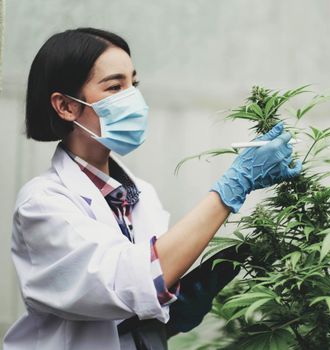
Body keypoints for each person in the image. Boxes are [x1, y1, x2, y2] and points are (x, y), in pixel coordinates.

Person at [3, 27, 302, 350]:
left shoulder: (140, 195)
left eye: (134, 83)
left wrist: (175, 309)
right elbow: (128, 284)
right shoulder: (43, 203)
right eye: (115, 86)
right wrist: (235, 185)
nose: (133, 98)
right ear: (65, 106)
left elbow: (140, 304)